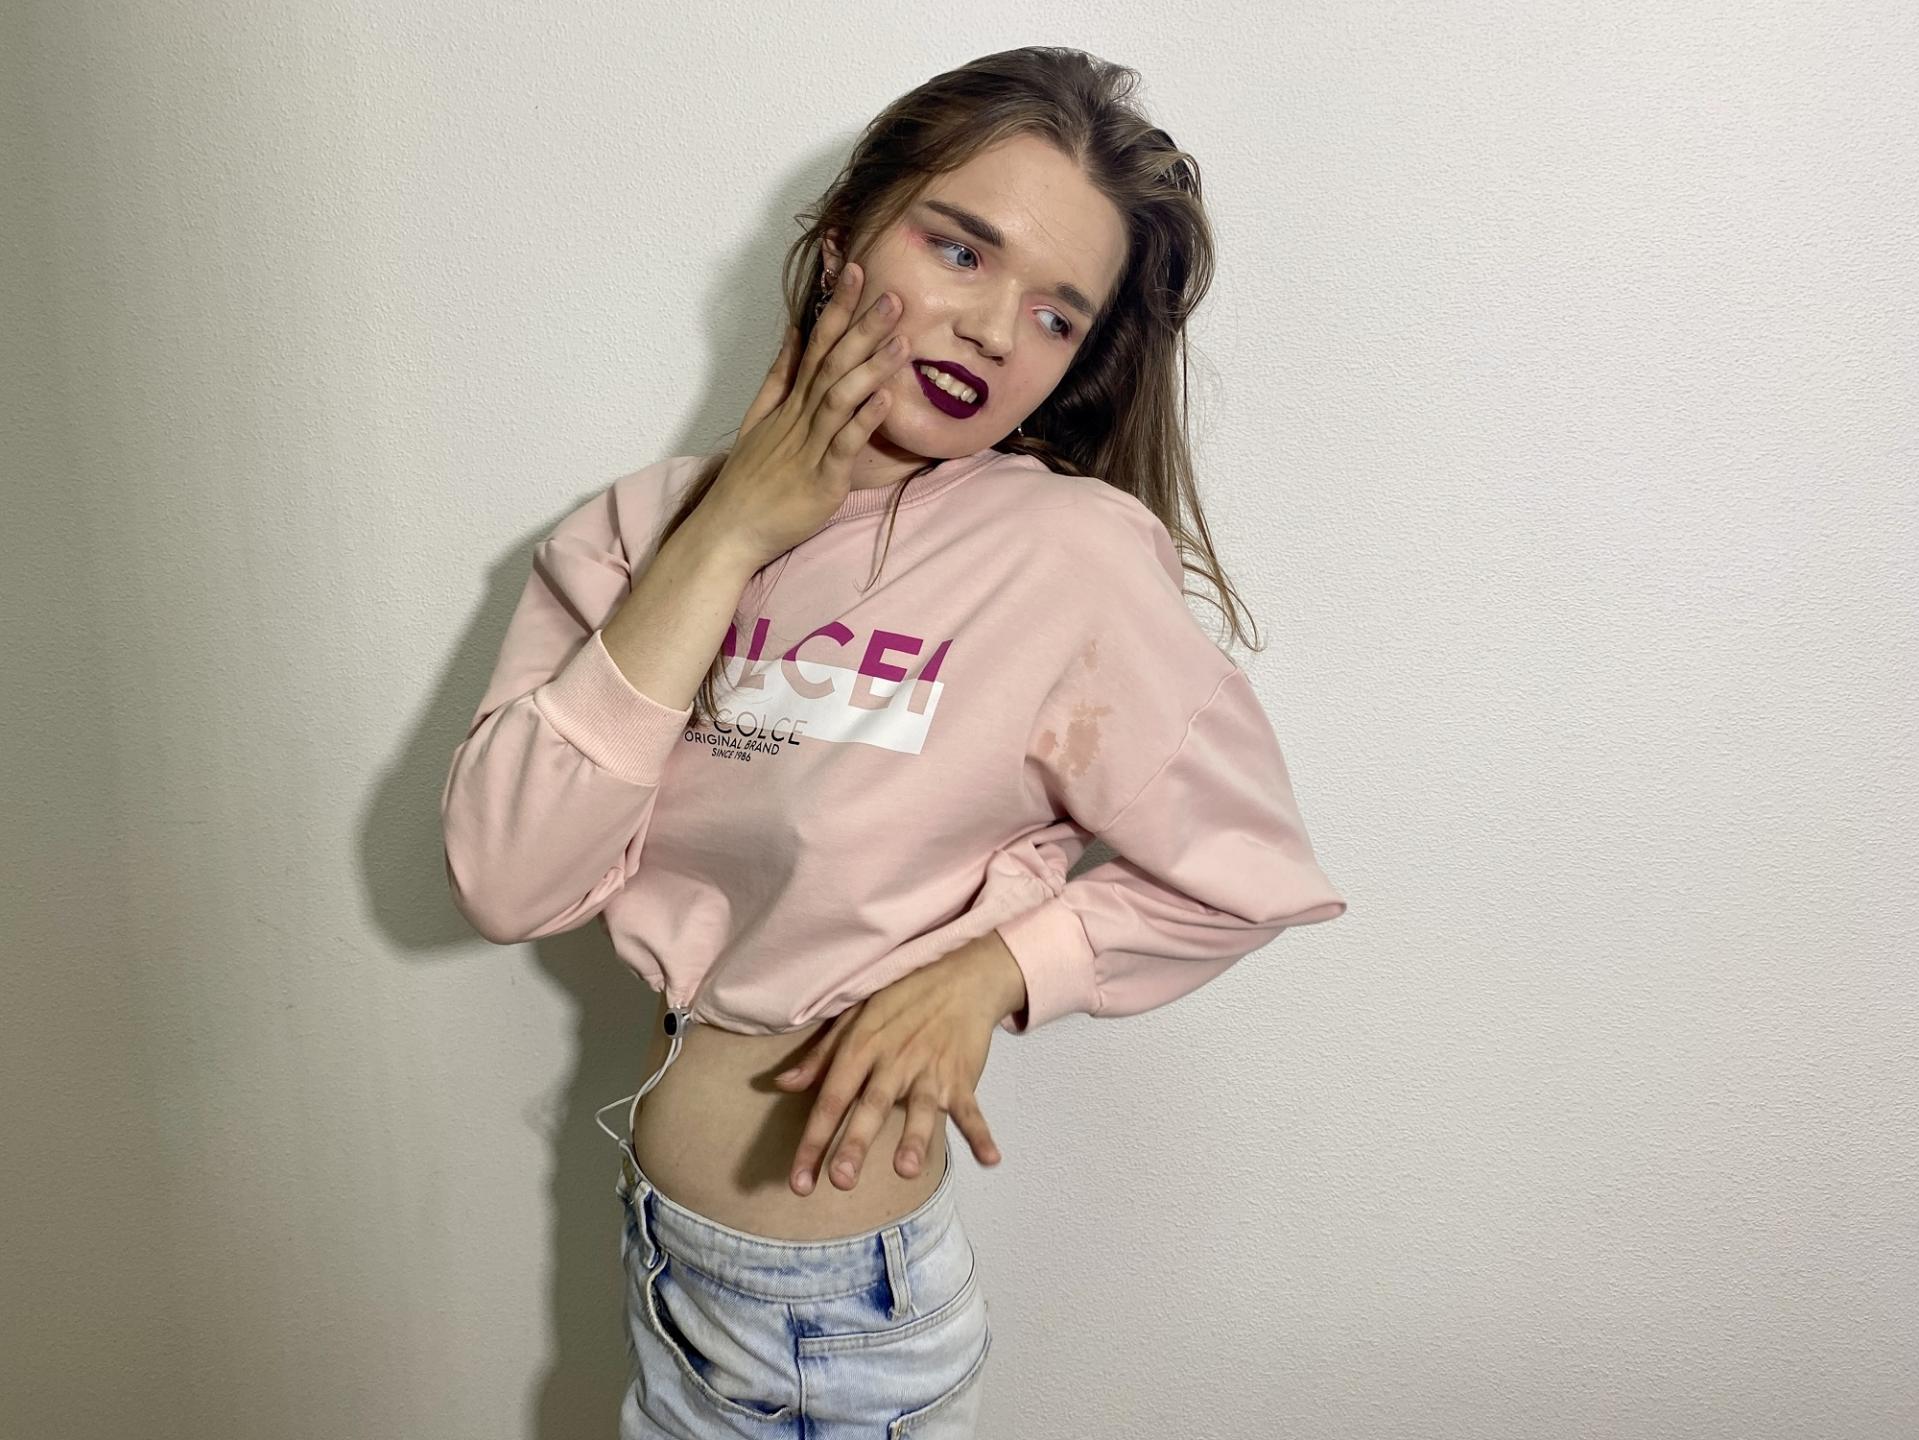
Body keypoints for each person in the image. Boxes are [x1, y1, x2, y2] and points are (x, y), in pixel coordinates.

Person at [439, 45, 1348, 1438]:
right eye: (959, 248)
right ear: (842, 240)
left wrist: (998, 971)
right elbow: (510, 880)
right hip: (668, 1261)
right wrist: (731, 534)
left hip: (834, 1326)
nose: (992, 331)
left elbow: (1251, 874)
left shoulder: (1065, 561)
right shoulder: (633, 533)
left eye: (1055, 315)